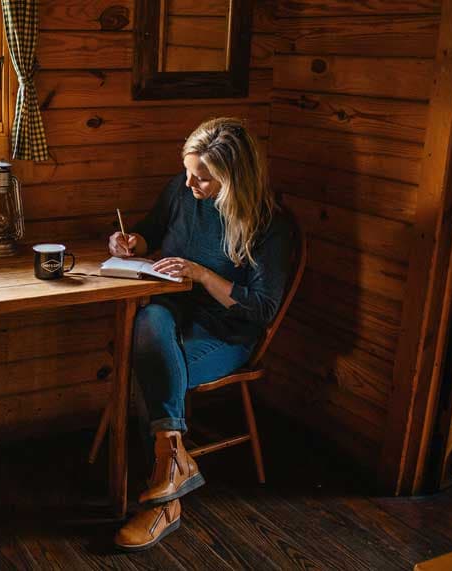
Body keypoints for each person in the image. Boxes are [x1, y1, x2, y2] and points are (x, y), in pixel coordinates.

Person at [107, 117, 293, 551]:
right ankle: (171, 471)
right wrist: (132, 241)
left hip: (227, 331)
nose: (189, 183)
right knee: (150, 322)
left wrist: (203, 275)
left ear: (234, 179)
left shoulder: (269, 225)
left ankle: (161, 505)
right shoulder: (181, 189)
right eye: (187, 171)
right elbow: (152, 230)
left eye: (203, 179)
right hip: (173, 310)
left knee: (151, 371)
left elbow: (263, 309)